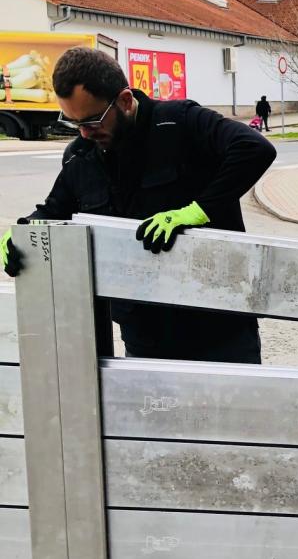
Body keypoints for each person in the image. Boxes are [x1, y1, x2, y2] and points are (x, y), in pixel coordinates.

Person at [0, 47, 276, 363]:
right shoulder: (81, 156)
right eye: (74, 123)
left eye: (92, 121)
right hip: (144, 338)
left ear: (125, 100)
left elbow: (254, 148)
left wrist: (197, 211)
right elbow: (53, 211)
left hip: (220, 329)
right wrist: (22, 233)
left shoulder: (180, 123)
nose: (85, 133)